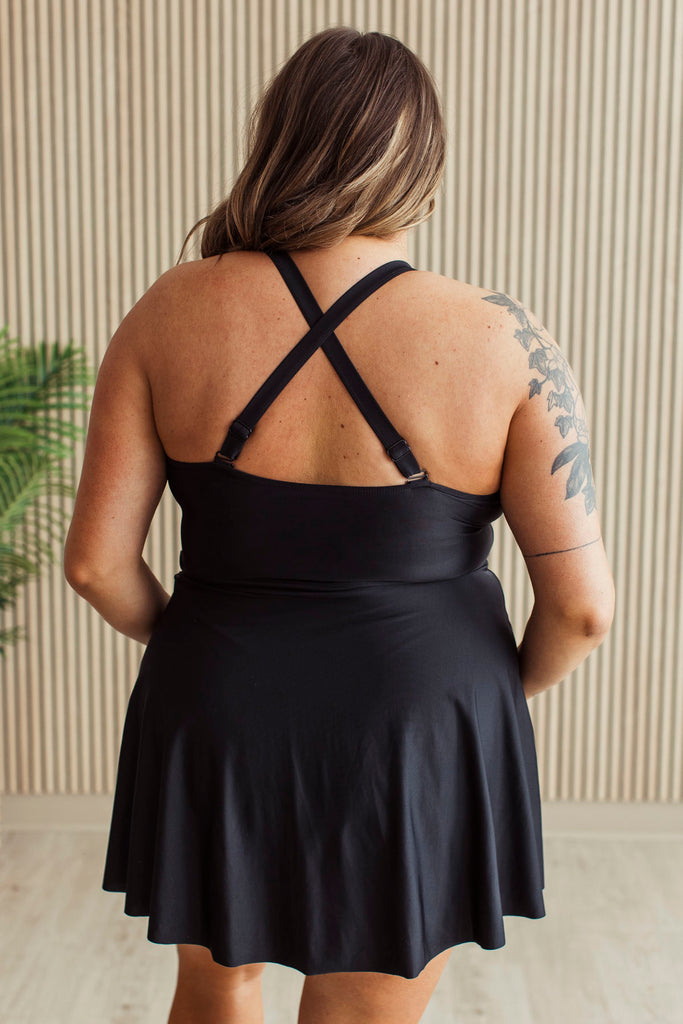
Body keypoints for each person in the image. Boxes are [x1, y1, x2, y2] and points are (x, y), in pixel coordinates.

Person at [63, 25, 615, 1024]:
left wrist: (205, 642)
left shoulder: (169, 311)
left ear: (275, 141)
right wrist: (483, 691)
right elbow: (581, 610)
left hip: (220, 702)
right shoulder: (504, 338)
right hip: (417, 719)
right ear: (422, 166)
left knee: (215, 986)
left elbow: (97, 565)